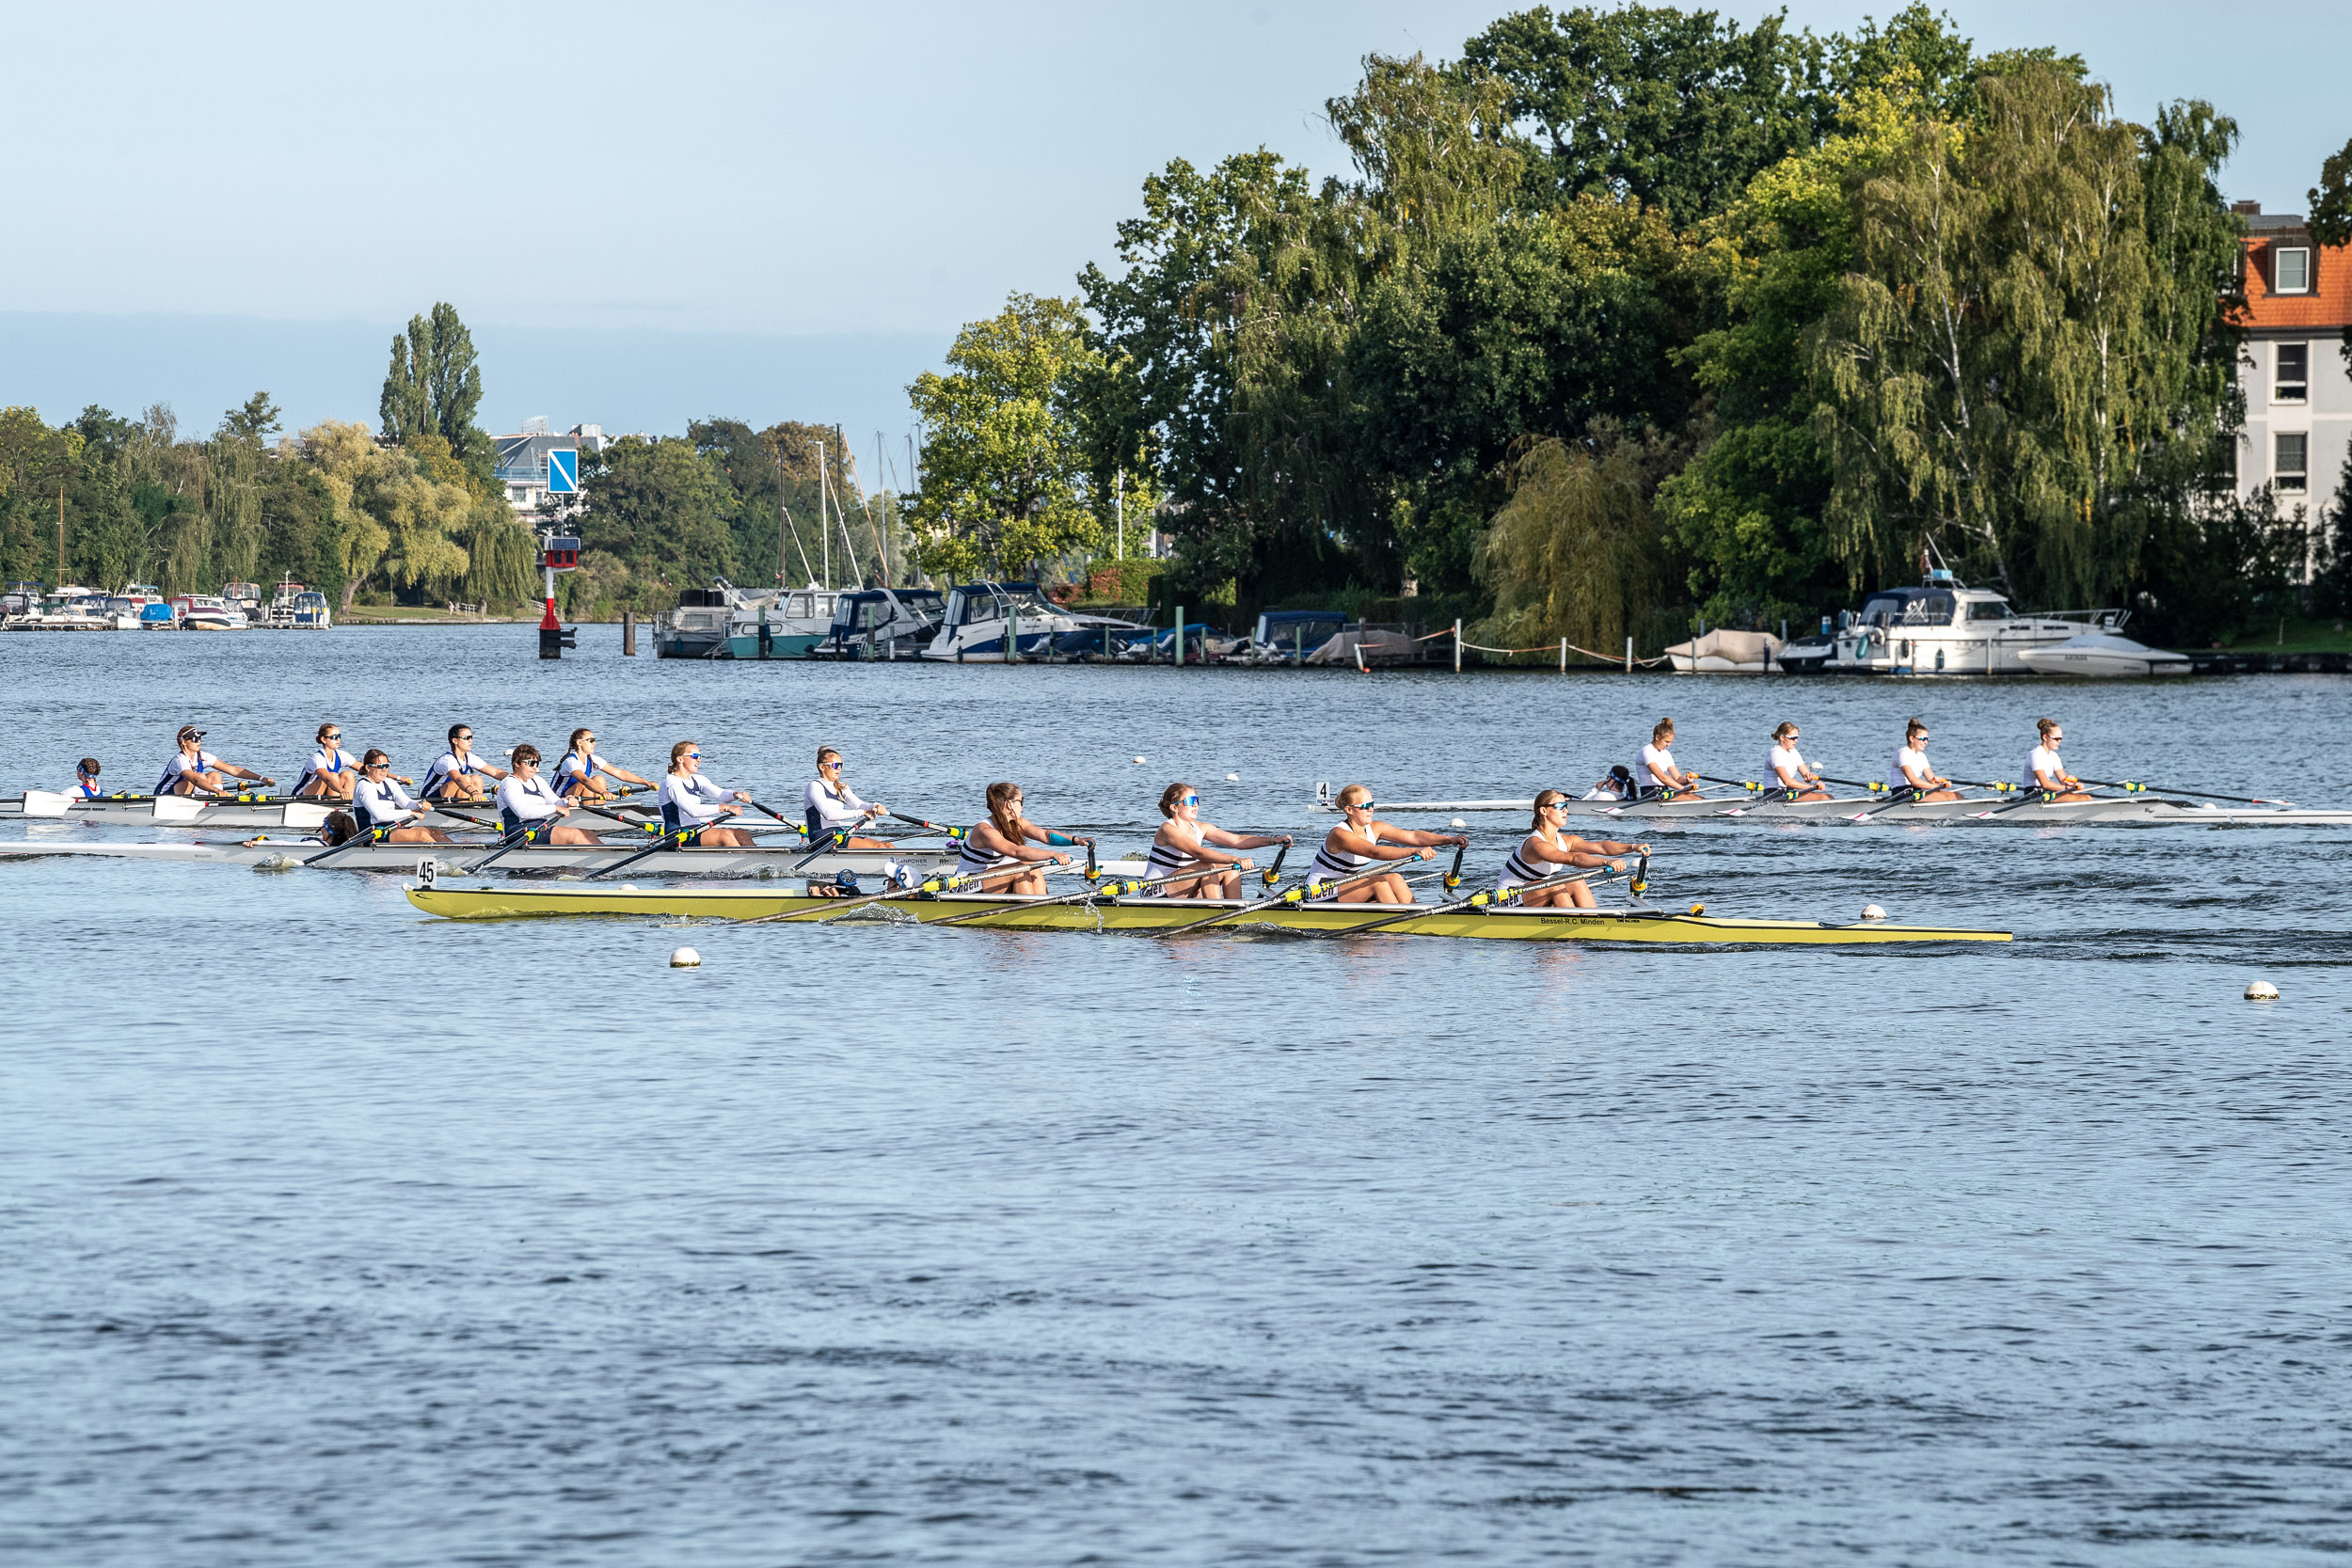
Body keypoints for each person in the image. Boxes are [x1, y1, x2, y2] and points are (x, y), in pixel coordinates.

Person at [1306, 784, 1468, 904]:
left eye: (1372, 805)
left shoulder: (1376, 828)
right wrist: (1414, 852)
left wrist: (1449, 840)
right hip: (1318, 891)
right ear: (1349, 810)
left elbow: (1414, 836)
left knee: (1395, 878)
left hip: (1344, 886)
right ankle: (1400, 923)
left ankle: (1418, 919)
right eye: (1364, 807)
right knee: (1378, 883)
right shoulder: (1339, 834)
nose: (1370, 810)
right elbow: (1373, 852)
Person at [1499, 791, 1649, 908]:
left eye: (1566, 806)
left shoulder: (1565, 840)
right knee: (1556, 886)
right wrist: (1607, 862)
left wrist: (1633, 847)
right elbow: (1573, 858)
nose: (1565, 811)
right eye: (1559, 806)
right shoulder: (1535, 844)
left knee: (1576, 880)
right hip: (1507, 898)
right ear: (1544, 811)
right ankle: (1574, 931)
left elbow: (1601, 846)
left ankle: (1593, 921)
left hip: (1534, 893)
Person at [1142, 782, 1291, 899]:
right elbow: (1198, 852)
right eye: (1190, 801)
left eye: (1197, 800)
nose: (1196, 805)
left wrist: (1274, 840)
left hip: (1181, 886)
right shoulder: (1167, 829)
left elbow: (1237, 840)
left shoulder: (1201, 828)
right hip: (1155, 890)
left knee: (1231, 870)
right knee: (1208, 865)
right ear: (1174, 808)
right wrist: (1237, 859)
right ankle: (1218, 913)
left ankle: (1235, 913)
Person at [954, 782, 1093, 895]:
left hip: (990, 878)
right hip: (966, 884)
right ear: (1009, 804)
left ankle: (1042, 907)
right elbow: (1016, 851)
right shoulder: (985, 831)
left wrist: (1076, 840)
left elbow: (1045, 835)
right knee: (1020, 867)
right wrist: (1054, 855)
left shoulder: (1016, 823)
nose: (1022, 806)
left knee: (1031, 865)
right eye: (1021, 801)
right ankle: (1030, 912)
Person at [657, 740, 757, 847]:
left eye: (700, 756)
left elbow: (719, 794)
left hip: (694, 831)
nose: (699, 759)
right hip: (676, 836)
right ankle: (744, 862)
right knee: (725, 836)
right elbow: (692, 810)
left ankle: (759, 862)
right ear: (680, 759)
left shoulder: (697, 779)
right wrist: (726, 808)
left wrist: (736, 794)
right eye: (694, 756)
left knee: (742, 834)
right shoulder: (671, 782)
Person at [497, 745, 600, 846]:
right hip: (518, 834)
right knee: (576, 835)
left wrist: (568, 800)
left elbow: (557, 802)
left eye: (537, 764)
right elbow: (522, 812)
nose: (535, 767)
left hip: (539, 829)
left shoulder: (537, 780)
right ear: (517, 764)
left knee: (588, 834)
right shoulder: (510, 783)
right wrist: (555, 808)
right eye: (530, 763)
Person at [352, 750, 452, 844]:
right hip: (371, 835)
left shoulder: (390, 783)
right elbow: (380, 815)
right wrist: (411, 813)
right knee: (420, 835)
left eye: (386, 766)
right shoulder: (364, 786)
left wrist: (420, 804)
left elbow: (407, 803)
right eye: (380, 766)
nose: (384, 769)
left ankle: (456, 855)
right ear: (368, 767)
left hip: (389, 829)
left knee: (436, 833)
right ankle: (444, 858)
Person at [804, 747, 892, 849]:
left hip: (838, 835)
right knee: (880, 847)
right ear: (822, 767)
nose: (839, 769)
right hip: (821, 839)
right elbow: (829, 814)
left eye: (841, 765)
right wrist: (862, 813)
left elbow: (858, 804)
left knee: (888, 846)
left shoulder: (841, 787)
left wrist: (875, 806)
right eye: (835, 765)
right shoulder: (814, 786)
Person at [156, 725, 275, 797]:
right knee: (199, 776)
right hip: (165, 796)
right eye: (194, 739)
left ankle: (214, 802)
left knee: (215, 775)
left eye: (200, 738)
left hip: (186, 793)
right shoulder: (180, 759)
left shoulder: (203, 756)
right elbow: (196, 780)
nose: (199, 741)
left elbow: (233, 770)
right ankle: (203, 802)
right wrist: (217, 790)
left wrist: (262, 779)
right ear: (183, 742)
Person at [552, 728, 653, 802]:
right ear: (579, 743)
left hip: (575, 798)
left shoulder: (592, 759)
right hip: (559, 799)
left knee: (599, 779)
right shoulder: (571, 761)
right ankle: (589, 816)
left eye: (594, 740)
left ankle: (597, 810)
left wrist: (646, 782)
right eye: (590, 740)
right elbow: (584, 780)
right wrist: (602, 792)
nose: (594, 743)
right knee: (586, 784)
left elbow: (620, 773)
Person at [420, 723, 508, 802]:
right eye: (466, 738)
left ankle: (469, 807)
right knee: (465, 778)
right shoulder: (447, 760)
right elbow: (459, 779)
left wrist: (517, 780)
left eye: (471, 737)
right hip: (429, 799)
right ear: (455, 741)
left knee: (477, 779)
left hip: (449, 795)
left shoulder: (468, 757)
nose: (470, 741)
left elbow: (495, 772)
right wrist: (474, 792)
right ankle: (464, 807)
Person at [1886, 718, 1962, 802]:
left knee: (1957, 795)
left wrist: (1940, 782)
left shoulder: (1922, 756)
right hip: (1901, 794)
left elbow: (1931, 780)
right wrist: (1935, 787)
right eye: (1923, 739)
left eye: (1927, 739)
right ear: (1912, 739)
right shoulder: (1903, 753)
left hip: (1916, 792)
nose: (1926, 742)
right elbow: (1914, 781)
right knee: (1950, 797)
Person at [2023, 717, 2091, 802]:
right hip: (2033, 794)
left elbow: (2063, 782)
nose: (2059, 741)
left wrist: (2073, 784)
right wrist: (2068, 788)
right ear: (2045, 737)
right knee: (2086, 798)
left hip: (2046, 793)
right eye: (2056, 739)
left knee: (2085, 797)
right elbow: (2045, 784)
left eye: (2061, 739)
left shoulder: (2054, 756)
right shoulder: (2035, 755)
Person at [293, 722, 365, 800]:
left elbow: (364, 769)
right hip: (301, 796)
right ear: (324, 739)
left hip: (323, 794)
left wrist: (376, 770)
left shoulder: (341, 755)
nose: (338, 739)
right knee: (333, 776)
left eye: (339, 736)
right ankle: (335, 805)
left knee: (348, 774)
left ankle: (347, 803)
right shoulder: (317, 758)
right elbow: (327, 779)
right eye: (334, 737)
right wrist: (341, 790)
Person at [1633, 718, 1700, 801]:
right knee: (1695, 800)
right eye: (1667, 742)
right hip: (1650, 792)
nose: (1669, 745)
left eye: (1670, 742)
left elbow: (1678, 778)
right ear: (1657, 737)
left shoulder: (1666, 754)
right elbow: (1662, 777)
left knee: (1699, 798)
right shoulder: (1646, 751)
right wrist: (1685, 789)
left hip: (1664, 791)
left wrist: (1686, 780)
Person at [1765, 721, 1829, 801]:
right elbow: (1788, 782)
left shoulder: (1794, 752)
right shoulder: (1775, 753)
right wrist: (1813, 787)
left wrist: (1809, 777)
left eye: (1797, 737)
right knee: (1826, 797)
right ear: (1782, 737)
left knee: (1827, 796)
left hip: (1788, 792)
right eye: (1793, 738)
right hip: (1773, 794)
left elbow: (1806, 775)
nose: (1796, 741)